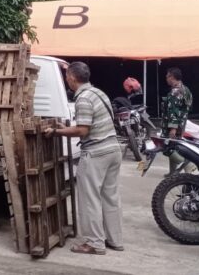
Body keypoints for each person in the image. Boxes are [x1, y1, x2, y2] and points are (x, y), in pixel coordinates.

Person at [44, 62, 123, 255]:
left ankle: (94, 243)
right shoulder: (99, 93)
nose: (66, 80)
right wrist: (64, 127)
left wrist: (56, 131)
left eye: (67, 77)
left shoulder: (83, 99)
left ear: (72, 77)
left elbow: (82, 130)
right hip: (113, 149)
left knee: (89, 199)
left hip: (97, 153)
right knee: (110, 197)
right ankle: (115, 240)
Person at [162, 67, 193, 174]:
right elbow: (187, 107)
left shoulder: (174, 93)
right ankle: (172, 173)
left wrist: (172, 129)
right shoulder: (186, 89)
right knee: (173, 147)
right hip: (182, 124)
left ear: (172, 77)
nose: (166, 79)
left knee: (169, 149)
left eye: (167, 76)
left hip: (173, 126)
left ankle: (188, 167)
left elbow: (173, 111)